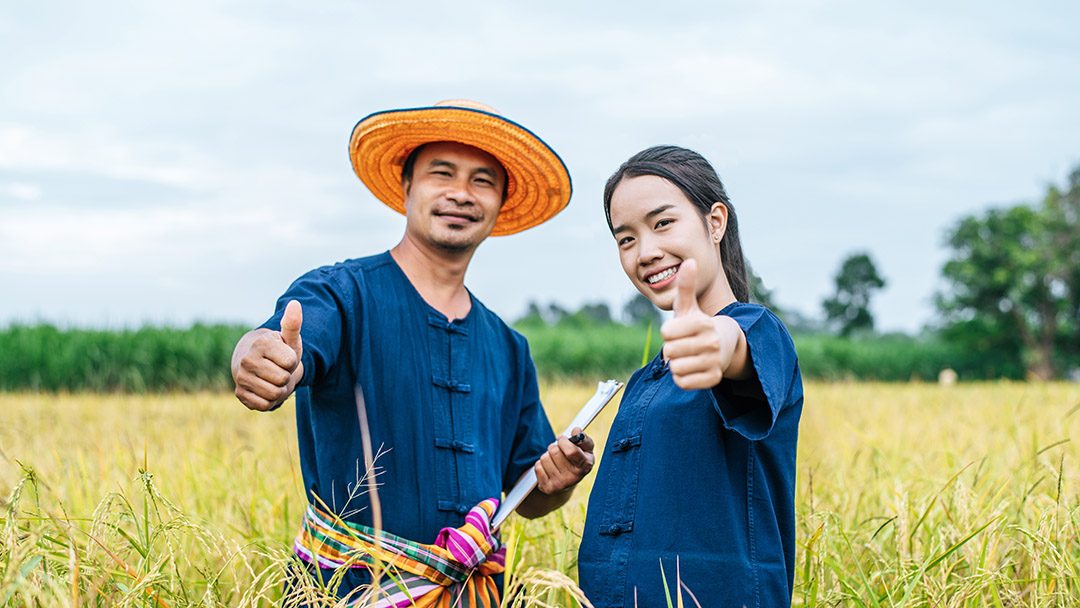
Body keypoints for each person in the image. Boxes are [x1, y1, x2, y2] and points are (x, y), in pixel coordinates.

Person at [230, 100, 596, 606]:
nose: (460, 194)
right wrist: (256, 354)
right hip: (343, 592)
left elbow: (529, 498)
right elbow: (278, 341)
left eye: (482, 181)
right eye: (441, 173)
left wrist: (558, 480)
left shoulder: (509, 348)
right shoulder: (342, 294)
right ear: (406, 186)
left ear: (500, 202)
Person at [577, 145, 803, 607]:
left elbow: (732, 345)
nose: (647, 251)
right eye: (626, 239)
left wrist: (717, 341)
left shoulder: (759, 332)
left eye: (663, 223)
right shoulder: (643, 381)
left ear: (715, 222)